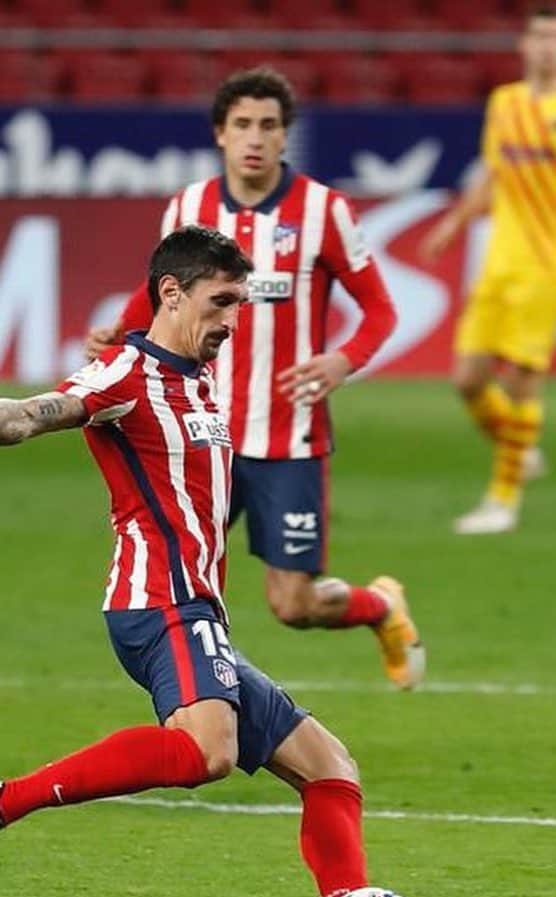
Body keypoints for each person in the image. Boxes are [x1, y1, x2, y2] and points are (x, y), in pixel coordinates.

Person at [0, 226, 461, 897]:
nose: (231, 321)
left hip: (198, 609)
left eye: (239, 305)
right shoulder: (122, 376)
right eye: (221, 303)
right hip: (159, 603)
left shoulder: (196, 378)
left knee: (330, 768)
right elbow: (29, 416)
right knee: (207, 752)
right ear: (171, 293)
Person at [88, 67, 423, 688]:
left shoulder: (324, 211)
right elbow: (160, 296)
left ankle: (380, 605)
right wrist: (118, 336)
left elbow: (380, 308)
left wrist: (342, 360)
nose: (255, 137)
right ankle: (203, 696)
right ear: (220, 132)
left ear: (284, 136)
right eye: (242, 123)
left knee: (292, 605)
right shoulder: (188, 208)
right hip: (199, 435)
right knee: (186, 582)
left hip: (286, 437)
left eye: (269, 126)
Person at [421, 2, 556, 534]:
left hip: (548, 264)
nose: (548, 46)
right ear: (523, 44)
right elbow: (492, 175)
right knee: (467, 380)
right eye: (540, 36)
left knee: (521, 382)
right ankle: (521, 448)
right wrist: (454, 222)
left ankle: (502, 501)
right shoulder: (504, 103)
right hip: (499, 262)